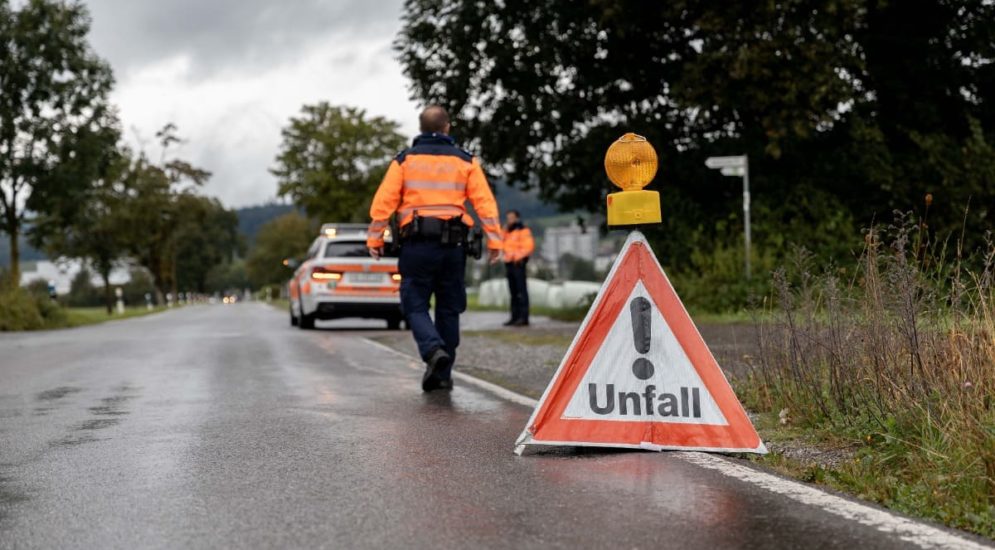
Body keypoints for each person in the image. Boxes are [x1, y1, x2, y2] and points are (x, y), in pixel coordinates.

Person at [367, 105, 503, 392]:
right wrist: (495, 240)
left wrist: (375, 239)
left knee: (414, 303)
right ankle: (443, 372)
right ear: (447, 127)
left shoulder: (405, 160)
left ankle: (432, 352)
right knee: (449, 308)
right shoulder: (466, 161)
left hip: (416, 244)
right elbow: (485, 204)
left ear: (421, 128)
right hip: (453, 245)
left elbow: (384, 202)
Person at [502, 210, 534, 327]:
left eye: (511, 218)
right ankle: (514, 317)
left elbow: (528, 246)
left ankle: (523, 317)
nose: (509, 220)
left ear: (517, 218)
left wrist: (518, 257)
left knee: (521, 291)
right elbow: (501, 242)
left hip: (518, 264)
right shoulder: (507, 232)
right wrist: (504, 230)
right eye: (508, 218)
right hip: (509, 264)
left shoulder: (523, 230)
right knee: (513, 292)